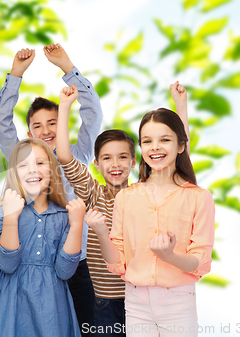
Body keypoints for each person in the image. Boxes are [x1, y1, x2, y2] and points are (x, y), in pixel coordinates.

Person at [56, 83, 190, 336]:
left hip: (141, 298)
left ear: (133, 161)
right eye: (107, 158)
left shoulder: (144, 192)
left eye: (122, 157)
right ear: (96, 164)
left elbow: (179, 155)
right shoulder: (93, 193)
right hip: (103, 302)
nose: (115, 164)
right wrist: (65, 107)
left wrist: (180, 106)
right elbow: (64, 155)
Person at [0, 44, 102, 334]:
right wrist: (16, 74)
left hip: (75, 262)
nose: (46, 130)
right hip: (30, 264)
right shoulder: (22, 158)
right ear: (29, 134)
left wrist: (68, 68)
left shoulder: (77, 157)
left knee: (85, 327)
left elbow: (93, 115)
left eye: (53, 122)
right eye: (38, 126)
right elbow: (1, 121)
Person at [87, 93, 215, 337]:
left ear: (180, 145)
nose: (154, 147)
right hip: (136, 302)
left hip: (178, 301)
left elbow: (200, 262)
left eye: (164, 140)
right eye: (147, 141)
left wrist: (170, 256)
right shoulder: (127, 197)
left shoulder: (199, 197)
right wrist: (101, 232)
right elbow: (118, 262)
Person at [0, 138, 85, 337]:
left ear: (52, 169)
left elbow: (65, 271)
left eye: (40, 162)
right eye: (23, 164)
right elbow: (8, 264)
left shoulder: (64, 215)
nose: (32, 170)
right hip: (13, 306)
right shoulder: (0, 211)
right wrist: (11, 216)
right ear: (14, 172)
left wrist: (77, 225)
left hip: (52, 309)